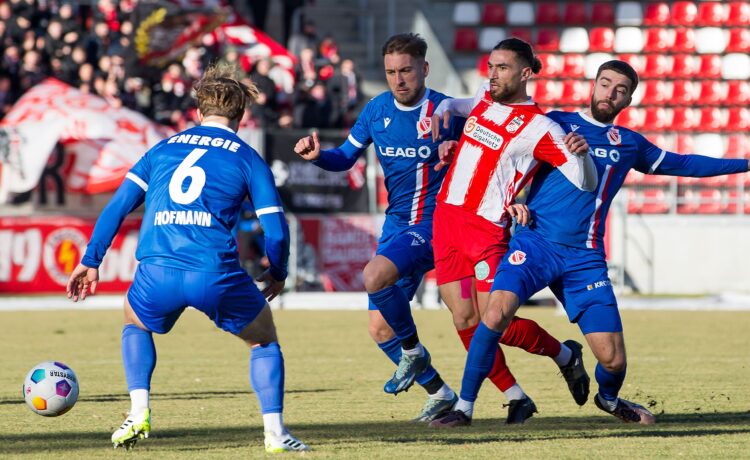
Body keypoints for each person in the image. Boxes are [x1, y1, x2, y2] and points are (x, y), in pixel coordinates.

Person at [433, 59, 750, 427]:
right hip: (534, 245)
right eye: (605, 83)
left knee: (613, 360)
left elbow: (686, 163)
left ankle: (610, 398)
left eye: (620, 90)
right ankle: (464, 408)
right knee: (494, 313)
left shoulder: (629, 144)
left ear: (628, 100)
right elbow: (503, 158)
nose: (610, 93)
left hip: (584, 259)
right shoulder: (555, 123)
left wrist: (745, 164)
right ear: (593, 85)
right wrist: (506, 193)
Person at [65, 63, 309, 453]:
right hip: (214, 271)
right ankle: (276, 434)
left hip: (157, 269)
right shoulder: (248, 158)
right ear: (241, 115)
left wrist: (91, 260)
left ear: (198, 111)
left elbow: (116, 208)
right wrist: (277, 271)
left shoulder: (161, 149)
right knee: (263, 340)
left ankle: (138, 411)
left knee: (134, 321)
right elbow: (276, 231)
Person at [426, 37, 599, 427]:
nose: (492, 75)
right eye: (490, 66)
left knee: (495, 321)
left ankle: (564, 355)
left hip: (487, 229)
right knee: (464, 320)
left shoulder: (541, 127)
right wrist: (443, 107)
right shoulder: (485, 99)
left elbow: (585, 183)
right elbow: (460, 104)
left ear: (524, 73)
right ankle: (516, 396)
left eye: (501, 68)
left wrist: (584, 157)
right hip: (446, 220)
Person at [294, 33, 461, 422]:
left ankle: (416, 354)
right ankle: (441, 393)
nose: (398, 79)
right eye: (390, 72)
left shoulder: (449, 111)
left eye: (406, 70)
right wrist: (320, 158)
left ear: (424, 68)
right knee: (379, 329)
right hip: (397, 226)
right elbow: (346, 157)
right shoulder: (376, 110)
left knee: (374, 276)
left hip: (436, 223)